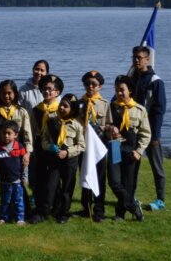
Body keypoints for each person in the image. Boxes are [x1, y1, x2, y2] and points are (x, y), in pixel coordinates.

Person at [31, 92, 85, 224]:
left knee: (67, 187)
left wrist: (68, 152)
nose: (61, 108)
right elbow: (44, 140)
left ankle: (63, 213)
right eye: (61, 105)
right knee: (50, 186)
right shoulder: (51, 121)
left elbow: (81, 145)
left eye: (66, 106)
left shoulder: (76, 125)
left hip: (69, 160)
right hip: (53, 159)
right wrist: (50, 147)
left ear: (72, 110)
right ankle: (44, 211)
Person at [107, 75, 151, 222]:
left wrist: (139, 151)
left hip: (131, 150)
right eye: (116, 90)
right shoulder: (112, 108)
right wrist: (109, 128)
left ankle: (120, 214)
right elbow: (104, 125)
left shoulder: (140, 110)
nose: (119, 93)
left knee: (128, 184)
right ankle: (133, 206)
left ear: (130, 90)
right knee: (114, 181)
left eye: (122, 90)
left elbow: (146, 133)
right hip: (115, 146)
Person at [131, 46, 167, 211]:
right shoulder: (132, 78)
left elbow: (159, 110)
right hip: (132, 131)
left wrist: (155, 135)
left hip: (150, 133)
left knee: (157, 167)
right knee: (132, 166)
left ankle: (160, 200)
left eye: (139, 57)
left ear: (147, 59)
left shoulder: (155, 81)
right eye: (134, 57)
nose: (136, 60)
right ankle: (130, 196)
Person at [0, 80, 33, 206]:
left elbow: (27, 134)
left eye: (9, 93)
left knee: (19, 182)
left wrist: (28, 153)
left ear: (15, 94)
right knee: (4, 182)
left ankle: (24, 209)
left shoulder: (21, 111)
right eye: (3, 93)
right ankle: (5, 210)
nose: (6, 96)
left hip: (18, 153)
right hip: (1, 153)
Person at [76, 70, 112, 222]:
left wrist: (103, 129)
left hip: (98, 146)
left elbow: (110, 124)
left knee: (99, 177)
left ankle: (99, 209)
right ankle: (86, 207)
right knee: (85, 175)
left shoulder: (105, 104)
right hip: (83, 145)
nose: (90, 86)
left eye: (94, 84)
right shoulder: (79, 103)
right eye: (87, 84)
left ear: (100, 86)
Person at [19, 60, 50, 203]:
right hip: (29, 135)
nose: (39, 72)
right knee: (31, 168)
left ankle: (45, 194)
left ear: (47, 73)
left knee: (46, 168)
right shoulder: (24, 90)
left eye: (42, 70)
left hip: (47, 136)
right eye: (37, 69)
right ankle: (33, 193)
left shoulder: (51, 89)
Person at [0, 120, 27, 225]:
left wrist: (25, 178)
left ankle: (19, 218)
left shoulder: (20, 147)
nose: (6, 136)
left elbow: (25, 164)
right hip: (4, 180)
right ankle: (4, 217)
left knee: (18, 200)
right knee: (5, 200)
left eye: (9, 133)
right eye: (4, 133)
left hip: (17, 180)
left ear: (15, 135)